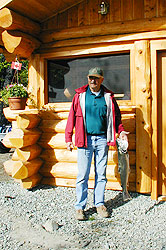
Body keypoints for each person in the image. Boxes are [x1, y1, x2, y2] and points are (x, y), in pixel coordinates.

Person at [65, 67, 128, 220]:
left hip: (102, 140)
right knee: (82, 175)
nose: (93, 80)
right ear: (88, 79)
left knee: (101, 175)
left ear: (101, 80)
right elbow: (71, 118)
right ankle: (80, 207)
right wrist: (68, 138)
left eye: (96, 78)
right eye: (90, 78)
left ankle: (99, 204)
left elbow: (116, 118)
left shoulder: (108, 97)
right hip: (84, 139)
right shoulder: (79, 96)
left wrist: (121, 131)